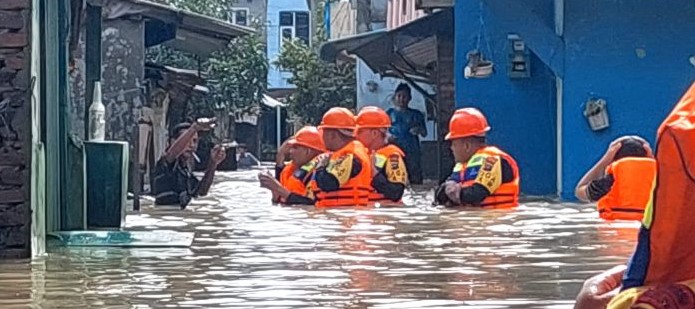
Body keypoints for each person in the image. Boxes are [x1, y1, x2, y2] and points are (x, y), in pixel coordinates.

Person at [434, 108, 520, 208]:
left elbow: (476, 194)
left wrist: (453, 193)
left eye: (453, 143)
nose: (451, 148)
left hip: (496, 221)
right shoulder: (461, 166)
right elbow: (440, 194)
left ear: (467, 146)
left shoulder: (493, 160)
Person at [574, 136, 656, 221]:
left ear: (613, 158)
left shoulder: (609, 182)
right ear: (647, 153)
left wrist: (605, 159)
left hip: (615, 227)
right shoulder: (661, 181)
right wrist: (653, 160)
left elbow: (579, 191)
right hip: (649, 228)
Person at [152, 119, 226, 209]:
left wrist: (213, 163)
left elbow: (201, 192)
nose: (191, 145)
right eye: (187, 140)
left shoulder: (186, 172)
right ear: (172, 141)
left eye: (194, 141)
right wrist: (194, 128)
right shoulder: (164, 165)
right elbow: (172, 154)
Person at [311, 107, 373, 207]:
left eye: (324, 133)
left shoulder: (351, 155)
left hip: (346, 217)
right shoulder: (339, 154)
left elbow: (328, 183)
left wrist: (320, 167)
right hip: (337, 215)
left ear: (332, 134)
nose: (322, 137)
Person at [258, 126, 325, 205]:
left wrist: (278, 188)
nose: (290, 151)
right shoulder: (295, 170)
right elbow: (283, 201)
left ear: (308, 151)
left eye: (295, 148)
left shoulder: (321, 174)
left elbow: (313, 204)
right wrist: (274, 190)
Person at [354, 106, 408, 205]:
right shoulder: (358, 155)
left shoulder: (392, 156)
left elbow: (396, 193)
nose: (355, 135)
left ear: (374, 133)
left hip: (384, 213)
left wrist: (374, 173)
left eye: (359, 131)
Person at [386, 83, 427, 185]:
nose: (401, 99)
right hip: (394, 150)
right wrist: (388, 136)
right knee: (394, 177)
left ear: (409, 98)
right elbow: (382, 132)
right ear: (394, 97)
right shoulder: (388, 114)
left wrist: (418, 130)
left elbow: (424, 133)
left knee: (415, 178)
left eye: (404, 96)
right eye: (399, 96)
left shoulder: (416, 115)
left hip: (412, 151)